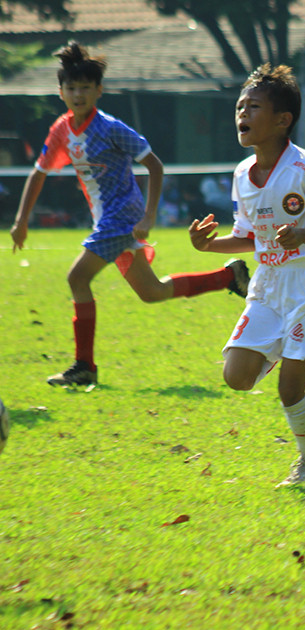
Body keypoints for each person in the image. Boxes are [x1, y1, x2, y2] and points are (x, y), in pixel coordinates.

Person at [8, 42, 249, 387]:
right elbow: (39, 172)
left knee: (77, 279)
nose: (78, 94)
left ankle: (84, 366)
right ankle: (227, 277)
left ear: (99, 91)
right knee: (152, 292)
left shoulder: (110, 127)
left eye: (85, 88)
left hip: (122, 217)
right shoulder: (62, 128)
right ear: (60, 92)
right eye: (71, 88)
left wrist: (148, 216)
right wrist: (21, 221)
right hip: (107, 219)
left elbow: (154, 164)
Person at [188, 63, 305, 489]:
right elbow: (247, 237)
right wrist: (210, 245)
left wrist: (302, 234)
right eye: (240, 106)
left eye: (253, 106)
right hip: (268, 284)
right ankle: (291, 344)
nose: (242, 113)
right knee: (236, 376)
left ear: (283, 120)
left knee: (288, 387)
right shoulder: (242, 173)